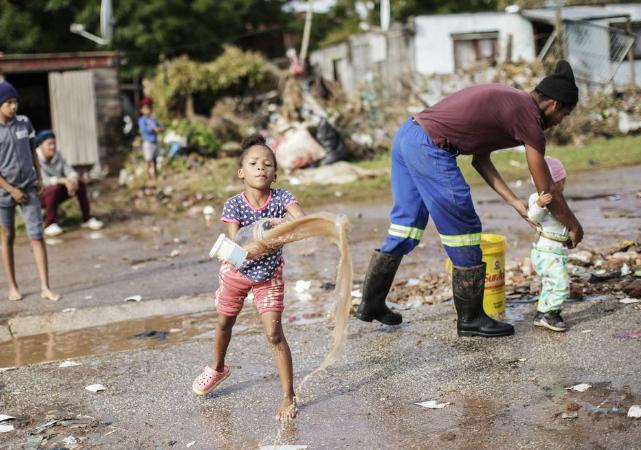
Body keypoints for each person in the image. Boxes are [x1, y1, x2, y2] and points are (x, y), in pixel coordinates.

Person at [355, 60, 583, 338]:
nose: (560, 122)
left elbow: (480, 159)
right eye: (565, 115)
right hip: (430, 146)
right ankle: (471, 318)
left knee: (407, 224)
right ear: (555, 105)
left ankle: (372, 302)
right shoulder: (529, 117)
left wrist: (513, 201)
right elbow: (546, 187)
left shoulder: (514, 104)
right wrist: (573, 224)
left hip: (408, 135)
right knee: (463, 228)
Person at [192, 134, 304, 421]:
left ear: (275, 174)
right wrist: (261, 234)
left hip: (268, 275)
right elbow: (236, 245)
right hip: (236, 273)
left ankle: (288, 395)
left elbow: (301, 221)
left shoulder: (282, 198)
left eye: (267, 164)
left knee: (274, 334)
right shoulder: (234, 205)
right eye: (253, 163)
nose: (260, 168)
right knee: (223, 322)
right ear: (241, 172)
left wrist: (287, 224)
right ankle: (217, 367)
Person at [0, 81, 61, 302]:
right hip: (5, 193)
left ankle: (45, 287)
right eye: (8, 102)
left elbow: (33, 151)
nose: (13, 106)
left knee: (37, 235)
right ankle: (12, 286)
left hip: (29, 188)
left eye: (15, 101)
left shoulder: (24, 123)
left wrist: (40, 177)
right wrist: (11, 190)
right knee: (8, 236)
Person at [528, 157, 571, 332]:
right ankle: (552, 314)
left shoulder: (559, 199)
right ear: (555, 181)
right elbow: (533, 217)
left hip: (556, 250)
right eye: (562, 181)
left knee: (549, 283)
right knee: (561, 283)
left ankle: (541, 313)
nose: (563, 184)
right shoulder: (537, 198)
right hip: (548, 251)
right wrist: (540, 204)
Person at [34, 129, 104, 236]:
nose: (52, 147)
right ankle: (49, 224)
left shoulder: (57, 156)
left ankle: (87, 219)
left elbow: (70, 171)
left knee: (80, 184)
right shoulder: (35, 159)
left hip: (56, 192)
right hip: (39, 196)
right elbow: (43, 181)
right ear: (41, 146)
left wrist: (72, 181)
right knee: (53, 188)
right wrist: (64, 180)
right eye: (49, 144)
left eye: (54, 144)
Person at [138, 102, 162, 180]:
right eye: (145, 109)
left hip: (155, 141)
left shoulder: (153, 119)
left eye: (148, 109)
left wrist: (159, 129)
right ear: (142, 110)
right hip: (147, 141)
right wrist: (153, 129)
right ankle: (148, 176)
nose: (147, 110)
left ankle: (155, 176)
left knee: (155, 159)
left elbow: (160, 126)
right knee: (148, 159)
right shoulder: (142, 120)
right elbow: (143, 129)